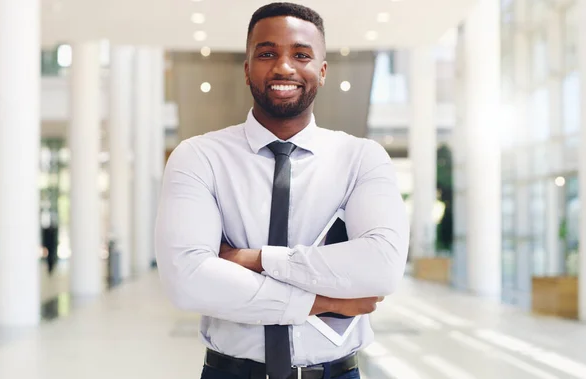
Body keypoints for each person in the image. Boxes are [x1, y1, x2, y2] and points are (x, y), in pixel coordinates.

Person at [155, 2, 409, 379]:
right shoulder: (199, 157)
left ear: (322, 72)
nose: (284, 67)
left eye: (301, 55)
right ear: (247, 69)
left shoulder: (361, 159)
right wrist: (319, 301)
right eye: (267, 53)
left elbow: (382, 268)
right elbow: (187, 281)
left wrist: (257, 259)